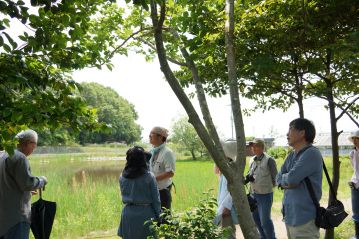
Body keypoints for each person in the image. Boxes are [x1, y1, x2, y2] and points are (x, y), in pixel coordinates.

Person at [276, 118, 323, 239]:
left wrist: (287, 179)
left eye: (291, 129)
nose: (287, 134)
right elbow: (277, 177)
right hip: (290, 216)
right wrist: (286, 180)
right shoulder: (292, 155)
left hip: (305, 219)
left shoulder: (311, 153)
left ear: (302, 133)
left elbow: (291, 179)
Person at [0, 129, 48, 239]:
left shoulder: (2, 154)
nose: (33, 150)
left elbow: (7, 182)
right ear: (28, 143)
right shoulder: (20, 157)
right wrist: (42, 180)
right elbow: (27, 183)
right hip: (17, 218)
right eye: (34, 146)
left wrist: (25, 191)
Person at [117, 146, 161, 239]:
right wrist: (159, 216)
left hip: (128, 213)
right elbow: (156, 199)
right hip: (146, 214)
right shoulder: (149, 176)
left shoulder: (122, 176)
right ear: (142, 159)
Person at [246, 139, 277, 239]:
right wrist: (248, 178)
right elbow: (249, 173)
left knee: (265, 221)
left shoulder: (269, 160)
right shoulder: (251, 160)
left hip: (265, 195)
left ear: (262, 148)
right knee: (256, 220)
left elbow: (276, 179)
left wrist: (263, 183)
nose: (253, 148)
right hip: (253, 195)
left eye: (256, 146)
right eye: (252, 146)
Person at [214, 140, 239, 239]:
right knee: (224, 233)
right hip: (223, 206)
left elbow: (232, 190)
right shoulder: (225, 167)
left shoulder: (231, 168)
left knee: (228, 233)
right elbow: (215, 171)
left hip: (226, 207)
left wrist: (227, 207)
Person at [149, 126, 176, 210]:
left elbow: (170, 173)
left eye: (152, 134)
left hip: (163, 191)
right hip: (151, 190)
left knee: (164, 217)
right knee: (152, 217)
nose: (149, 136)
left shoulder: (167, 152)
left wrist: (152, 179)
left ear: (160, 137)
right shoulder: (151, 151)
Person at [348, 130, 359, 239]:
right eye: (353, 139)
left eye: (357, 139)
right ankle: (357, 235)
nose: (355, 141)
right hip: (355, 184)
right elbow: (355, 170)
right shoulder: (352, 153)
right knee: (356, 211)